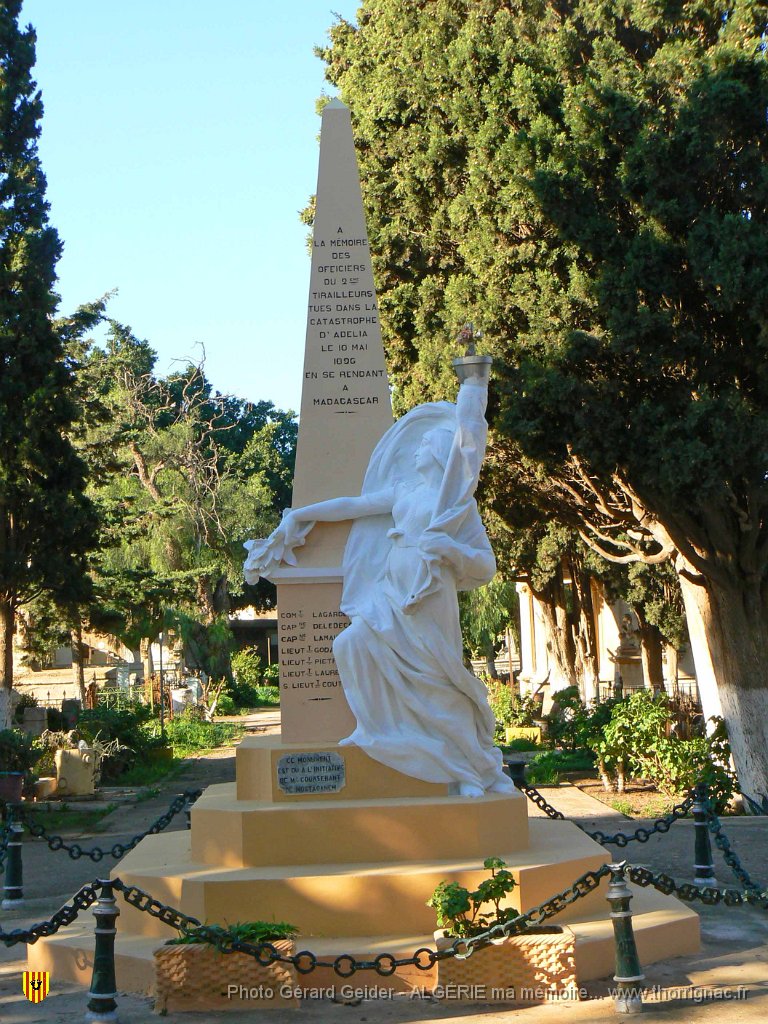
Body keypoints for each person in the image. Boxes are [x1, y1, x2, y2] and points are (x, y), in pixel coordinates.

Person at [244, 370, 513, 797]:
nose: (419, 447)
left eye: (427, 444)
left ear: (442, 457)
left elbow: (485, 566)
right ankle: (374, 731)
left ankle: (468, 769)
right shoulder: (405, 491)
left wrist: (449, 550)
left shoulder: (455, 508)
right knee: (348, 645)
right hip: (391, 589)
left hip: (428, 596)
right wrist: (302, 513)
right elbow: (355, 505)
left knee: (438, 683)